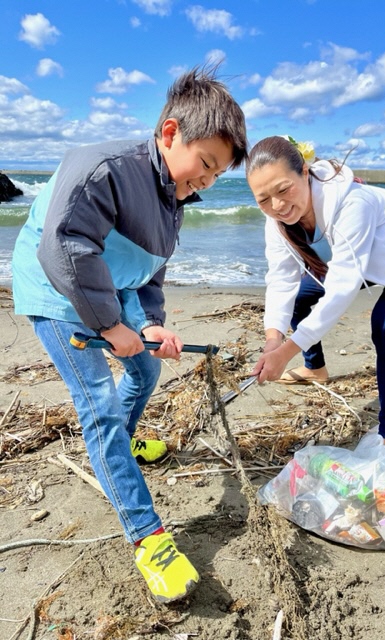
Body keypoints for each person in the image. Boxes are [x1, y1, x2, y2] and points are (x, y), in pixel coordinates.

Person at [12, 66, 247, 604]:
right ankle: (147, 535)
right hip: (55, 291)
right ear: (170, 133)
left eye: (216, 177)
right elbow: (64, 247)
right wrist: (109, 324)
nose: (205, 183)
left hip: (104, 290)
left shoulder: (174, 198)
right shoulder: (103, 168)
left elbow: (149, 269)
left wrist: (150, 323)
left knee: (145, 366)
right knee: (97, 404)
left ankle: (123, 441)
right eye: (204, 165)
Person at [246, 135, 385, 443]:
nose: (278, 205)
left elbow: (342, 285)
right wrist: (274, 341)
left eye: (283, 189)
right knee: (299, 296)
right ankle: (315, 368)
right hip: (353, 259)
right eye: (263, 199)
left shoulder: (353, 202)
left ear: (305, 172)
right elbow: (281, 279)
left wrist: (287, 351)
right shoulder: (276, 221)